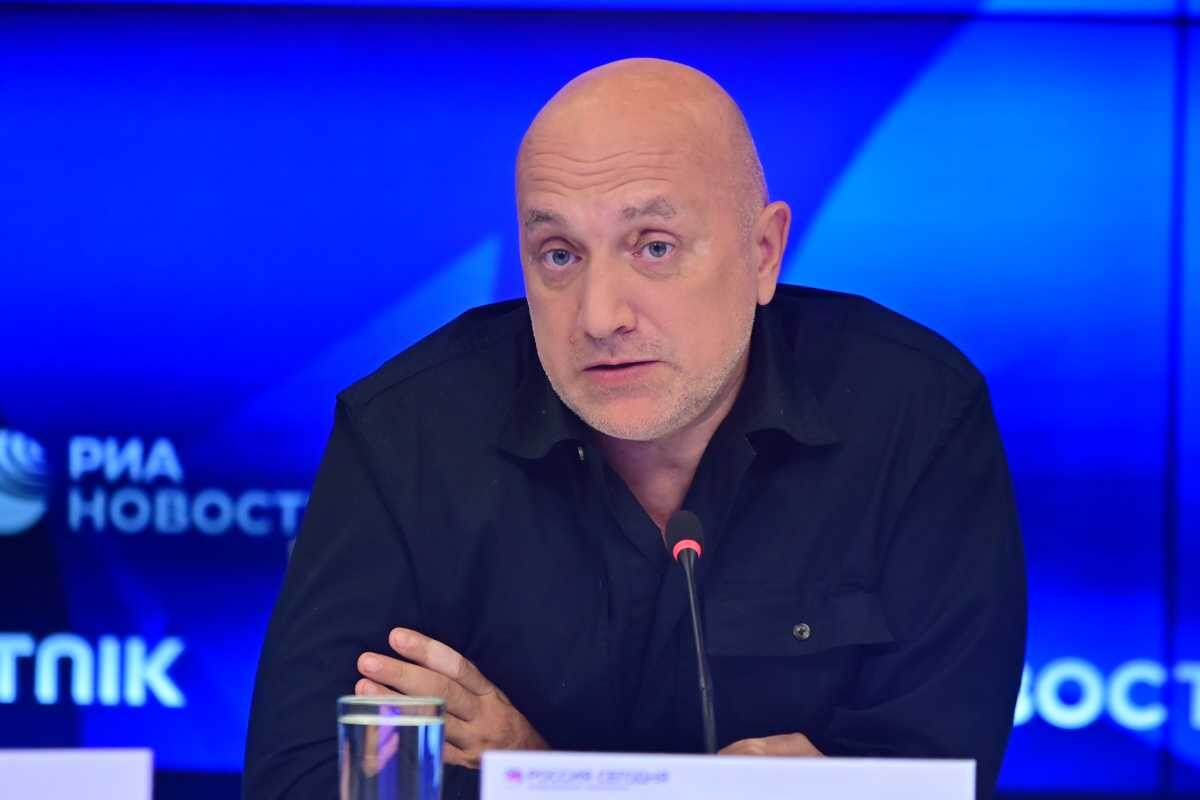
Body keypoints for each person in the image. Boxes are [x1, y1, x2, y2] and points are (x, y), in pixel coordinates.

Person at [244, 58, 1026, 800]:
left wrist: (532, 772)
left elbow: (929, 779)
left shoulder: (913, 417)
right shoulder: (406, 435)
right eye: (559, 255)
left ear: (763, 253)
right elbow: (303, 780)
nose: (599, 316)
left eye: (654, 247)